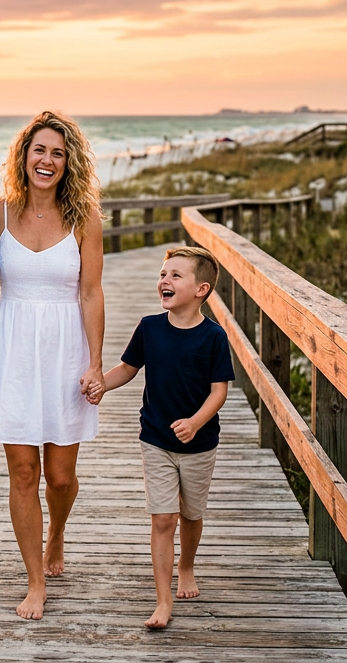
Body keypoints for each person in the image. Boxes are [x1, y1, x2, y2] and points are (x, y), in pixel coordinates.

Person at [0, 111, 105, 620]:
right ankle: (35, 579)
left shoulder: (84, 218)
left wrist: (96, 363)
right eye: (39, 151)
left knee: (60, 475)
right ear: (23, 156)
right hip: (12, 349)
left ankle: (58, 535)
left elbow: (92, 292)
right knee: (23, 470)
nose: (47, 161)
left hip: (65, 349)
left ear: (68, 162)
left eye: (57, 153)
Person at [95, 246, 235, 629]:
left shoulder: (213, 337)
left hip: (199, 444)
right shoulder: (150, 328)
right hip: (155, 438)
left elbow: (219, 391)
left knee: (191, 514)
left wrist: (195, 422)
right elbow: (127, 368)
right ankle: (163, 599)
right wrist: (100, 385)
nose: (165, 281)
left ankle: (186, 566)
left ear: (201, 289)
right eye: (163, 274)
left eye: (176, 275)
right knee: (163, 519)